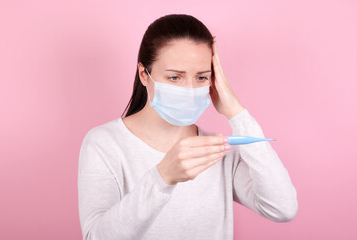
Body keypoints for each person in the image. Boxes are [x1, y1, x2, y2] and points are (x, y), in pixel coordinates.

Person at [78, 14, 298, 240]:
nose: (190, 90)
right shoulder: (104, 144)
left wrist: (236, 112)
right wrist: (162, 178)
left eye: (201, 78)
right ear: (145, 74)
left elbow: (282, 208)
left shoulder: (218, 150)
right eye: (175, 77)